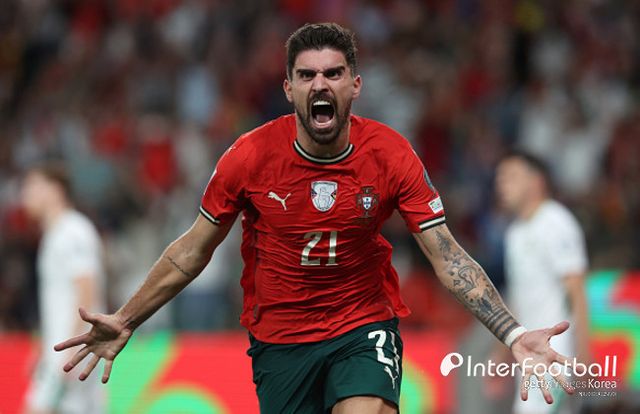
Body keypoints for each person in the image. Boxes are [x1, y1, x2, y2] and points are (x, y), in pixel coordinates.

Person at [55, 23, 576, 414]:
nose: (319, 84)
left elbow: (447, 257)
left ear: (355, 85)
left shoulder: (391, 154)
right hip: (280, 341)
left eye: (333, 74)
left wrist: (512, 334)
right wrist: (127, 318)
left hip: (362, 325)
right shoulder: (249, 156)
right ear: (289, 89)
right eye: (306, 75)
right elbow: (192, 251)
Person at [491, 151, 590, 414]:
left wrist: (583, 353)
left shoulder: (556, 222)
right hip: (529, 354)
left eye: (511, 177)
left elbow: (577, 290)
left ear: (536, 181)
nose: (501, 185)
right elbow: (518, 298)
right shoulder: (515, 233)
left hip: (555, 354)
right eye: (500, 179)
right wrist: (501, 351)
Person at [21, 162, 106, 414]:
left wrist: (72, 349)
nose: (26, 194)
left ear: (55, 190)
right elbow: (58, 301)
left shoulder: (73, 230)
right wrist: (43, 347)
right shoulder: (54, 234)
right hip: (62, 350)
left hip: (73, 352)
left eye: (33, 186)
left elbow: (87, 289)